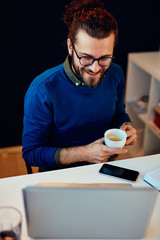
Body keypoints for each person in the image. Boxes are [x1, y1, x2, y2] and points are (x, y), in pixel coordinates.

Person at [22, 0, 137, 172]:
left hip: (106, 167)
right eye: (86, 57)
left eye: (105, 58)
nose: (95, 68)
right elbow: (31, 153)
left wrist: (125, 124)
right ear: (70, 47)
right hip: (59, 174)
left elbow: (118, 114)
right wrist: (85, 153)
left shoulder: (116, 73)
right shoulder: (42, 89)